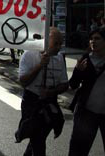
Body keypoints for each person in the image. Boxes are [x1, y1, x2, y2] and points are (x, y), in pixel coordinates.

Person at [17, 27, 68, 156]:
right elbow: (23, 81)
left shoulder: (60, 58)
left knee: (39, 137)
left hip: (49, 102)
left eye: (60, 44)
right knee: (37, 139)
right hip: (32, 101)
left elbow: (64, 84)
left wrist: (51, 92)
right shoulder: (29, 54)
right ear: (46, 41)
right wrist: (40, 65)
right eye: (55, 43)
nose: (58, 47)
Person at [68, 28, 105, 156]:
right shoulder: (85, 59)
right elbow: (73, 85)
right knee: (78, 150)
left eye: (97, 38)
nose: (93, 41)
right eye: (91, 39)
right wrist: (78, 70)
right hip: (86, 113)